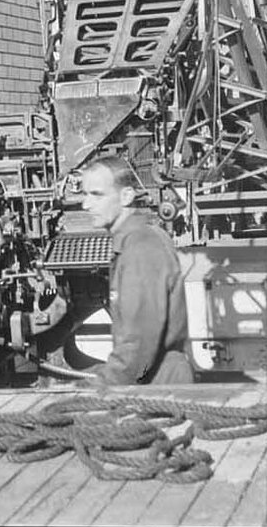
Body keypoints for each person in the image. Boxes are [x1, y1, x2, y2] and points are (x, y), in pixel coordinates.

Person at [81, 155, 193, 388]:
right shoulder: (135, 241)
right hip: (151, 381)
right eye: (85, 194)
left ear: (127, 196)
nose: (86, 205)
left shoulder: (141, 248)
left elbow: (139, 343)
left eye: (97, 195)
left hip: (160, 387)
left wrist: (103, 385)